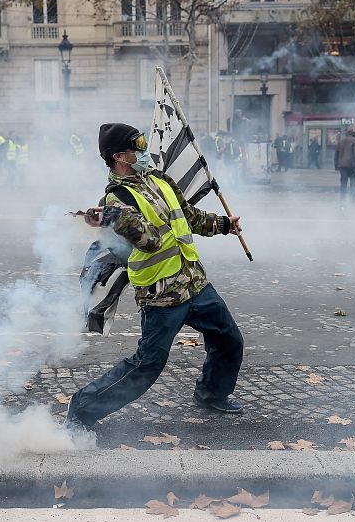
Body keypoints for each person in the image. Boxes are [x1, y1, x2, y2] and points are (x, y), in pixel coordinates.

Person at [65, 123, 246, 431]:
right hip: (162, 294)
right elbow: (151, 241)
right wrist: (115, 220)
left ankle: (211, 394)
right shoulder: (116, 200)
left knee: (229, 340)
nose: (145, 152)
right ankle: (82, 408)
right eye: (138, 148)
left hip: (194, 282)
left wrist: (225, 225)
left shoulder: (159, 179)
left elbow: (188, 217)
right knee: (147, 365)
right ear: (120, 157)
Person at [335, 127, 355, 202]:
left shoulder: (341, 141)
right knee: (353, 185)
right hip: (353, 167)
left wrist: (336, 166)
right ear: (354, 134)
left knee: (343, 185)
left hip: (343, 166)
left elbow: (336, 155)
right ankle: (352, 201)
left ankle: (342, 201)